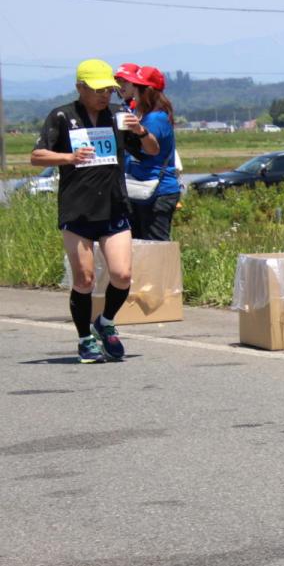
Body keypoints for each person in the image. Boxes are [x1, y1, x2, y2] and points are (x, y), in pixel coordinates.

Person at [30, 59, 160, 363]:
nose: (105, 95)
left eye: (110, 90)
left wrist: (141, 131)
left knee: (122, 274)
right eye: (98, 90)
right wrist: (69, 157)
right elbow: (36, 156)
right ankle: (85, 338)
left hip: (114, 206)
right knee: (85, 279)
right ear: (80, 88)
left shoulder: (118, 115)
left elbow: (152, 151)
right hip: (78, 210)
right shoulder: (62, 116)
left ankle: (105, 322)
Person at [123, 66, 181, 240]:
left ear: (147, 91)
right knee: (139, 244)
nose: (134, 91)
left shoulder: (156, 119)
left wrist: (139, 131)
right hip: (141, 187)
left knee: (156, 246)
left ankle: (164, 269)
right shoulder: (142, 114)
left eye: (137, 87)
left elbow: (151, 149)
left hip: (158, 190)